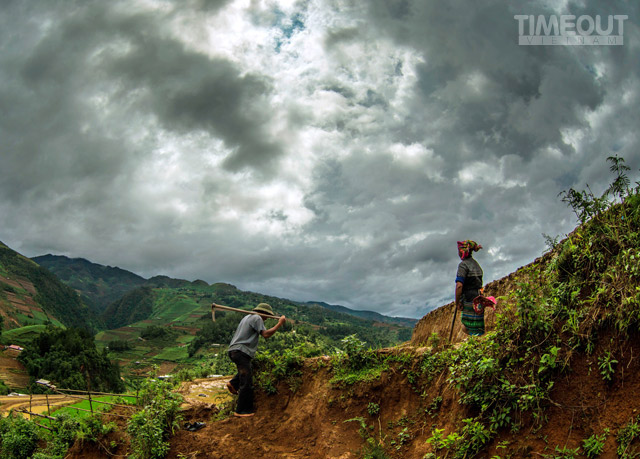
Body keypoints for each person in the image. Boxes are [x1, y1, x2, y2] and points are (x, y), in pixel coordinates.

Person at [226, 303, 286, 417]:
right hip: (241, 351)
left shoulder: (247, 317)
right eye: (267, 316)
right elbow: (266, 334)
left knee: (247, 371)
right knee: (246, 382)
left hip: (234, 350)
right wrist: (279, 324)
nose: (267, 319)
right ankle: (242, 411)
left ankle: (233, 383)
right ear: (265, 313)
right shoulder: (257, 318)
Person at [454, 240, 485, 336]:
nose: (458, 253)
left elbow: (459, 286)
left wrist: (457, 301)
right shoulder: (476, 265)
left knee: (467, 325)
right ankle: (477, 343)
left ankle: (474, 343)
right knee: (478, 326)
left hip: (469, 298)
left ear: (462, 252)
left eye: (459, 251)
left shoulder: (463, 265)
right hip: (479, 298)